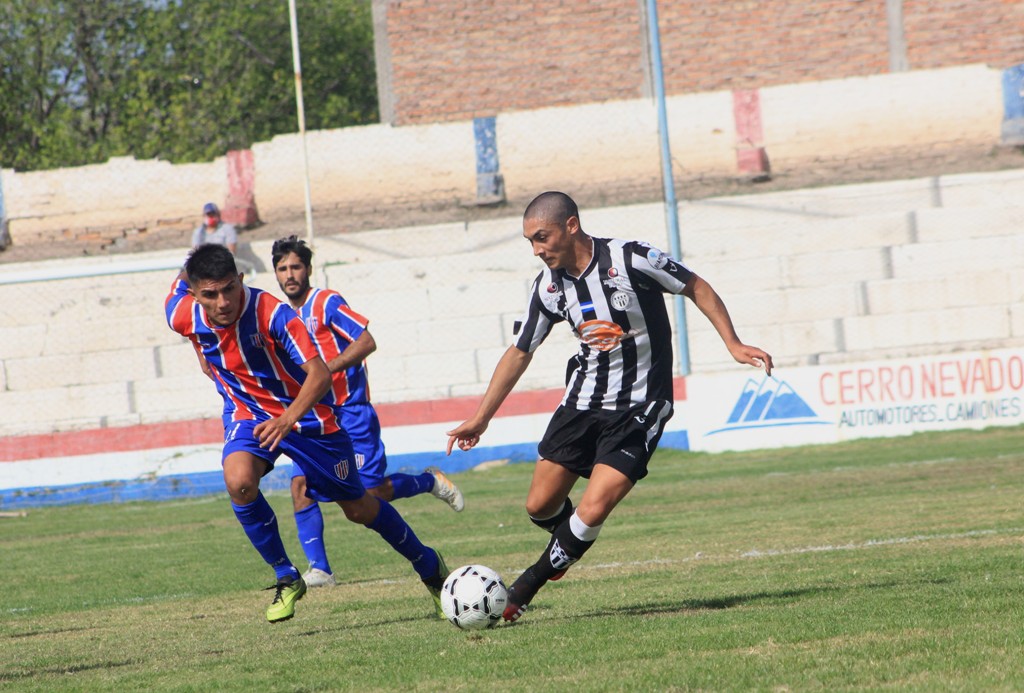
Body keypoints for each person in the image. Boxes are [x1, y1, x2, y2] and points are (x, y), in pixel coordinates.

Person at [445, 191, 773, 623]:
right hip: (583, 402)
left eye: (542, 237)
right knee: (539, 506)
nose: (537, 250)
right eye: (530, 241)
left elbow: (695, 286)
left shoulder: (632, 259)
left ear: (571, 226)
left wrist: (732, 343)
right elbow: (520, 350)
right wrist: (482, 417)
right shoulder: (548, 287)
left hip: (640, 405)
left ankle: (525, 587)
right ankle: (568, 546)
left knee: (594, 507)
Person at [165, 243, 449, 623]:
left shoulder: (273, 314)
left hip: (310, 417)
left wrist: (286, 419)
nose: (222, 301)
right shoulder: (182, 313)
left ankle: (428, 565)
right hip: (248, 414)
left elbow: (318, 374)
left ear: (241, 280)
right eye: (210, 294)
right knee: (239, 482)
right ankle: (286, 575)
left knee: (360, 508)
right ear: (195, 293)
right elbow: (179, 289)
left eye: (229, 288)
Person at [270, 235, 464, 588]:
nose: (290, 274)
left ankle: (428, 481)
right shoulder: (280, 316)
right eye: (282, 269)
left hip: (351, 413)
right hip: (314, 419)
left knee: (372, 496)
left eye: (296, 266)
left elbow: (366, 341)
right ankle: (320, 570)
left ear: (309, 269)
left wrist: (328, 368)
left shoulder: (326, 302)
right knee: (300, 486)